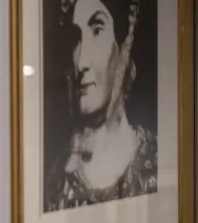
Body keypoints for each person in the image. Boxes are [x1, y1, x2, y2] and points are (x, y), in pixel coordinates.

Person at [44, 0, 157, 210]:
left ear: (124, 47)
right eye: (76, 39)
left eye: (97, 30)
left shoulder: (156, 164)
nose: (81, 62)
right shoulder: (53, 183)